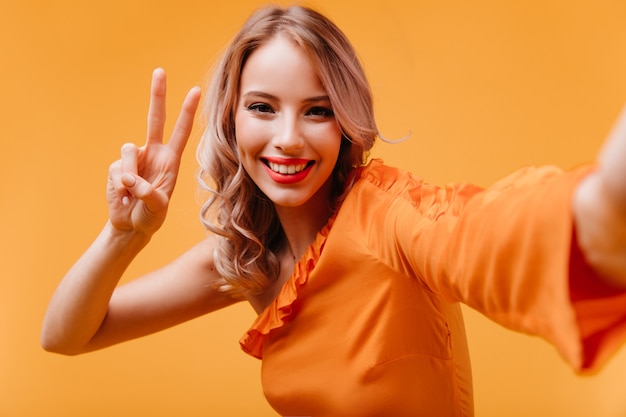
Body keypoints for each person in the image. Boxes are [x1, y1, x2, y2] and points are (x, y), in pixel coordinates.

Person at [41, 5, 626, 417]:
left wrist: (599, 210)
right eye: (263, 107)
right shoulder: (244, 257)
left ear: (346, 121)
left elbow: (477, 234)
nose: (289, 138)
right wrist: (125, 235)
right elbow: (66, 335)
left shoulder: (389, 215)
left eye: (317, 111)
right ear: (232, 120)